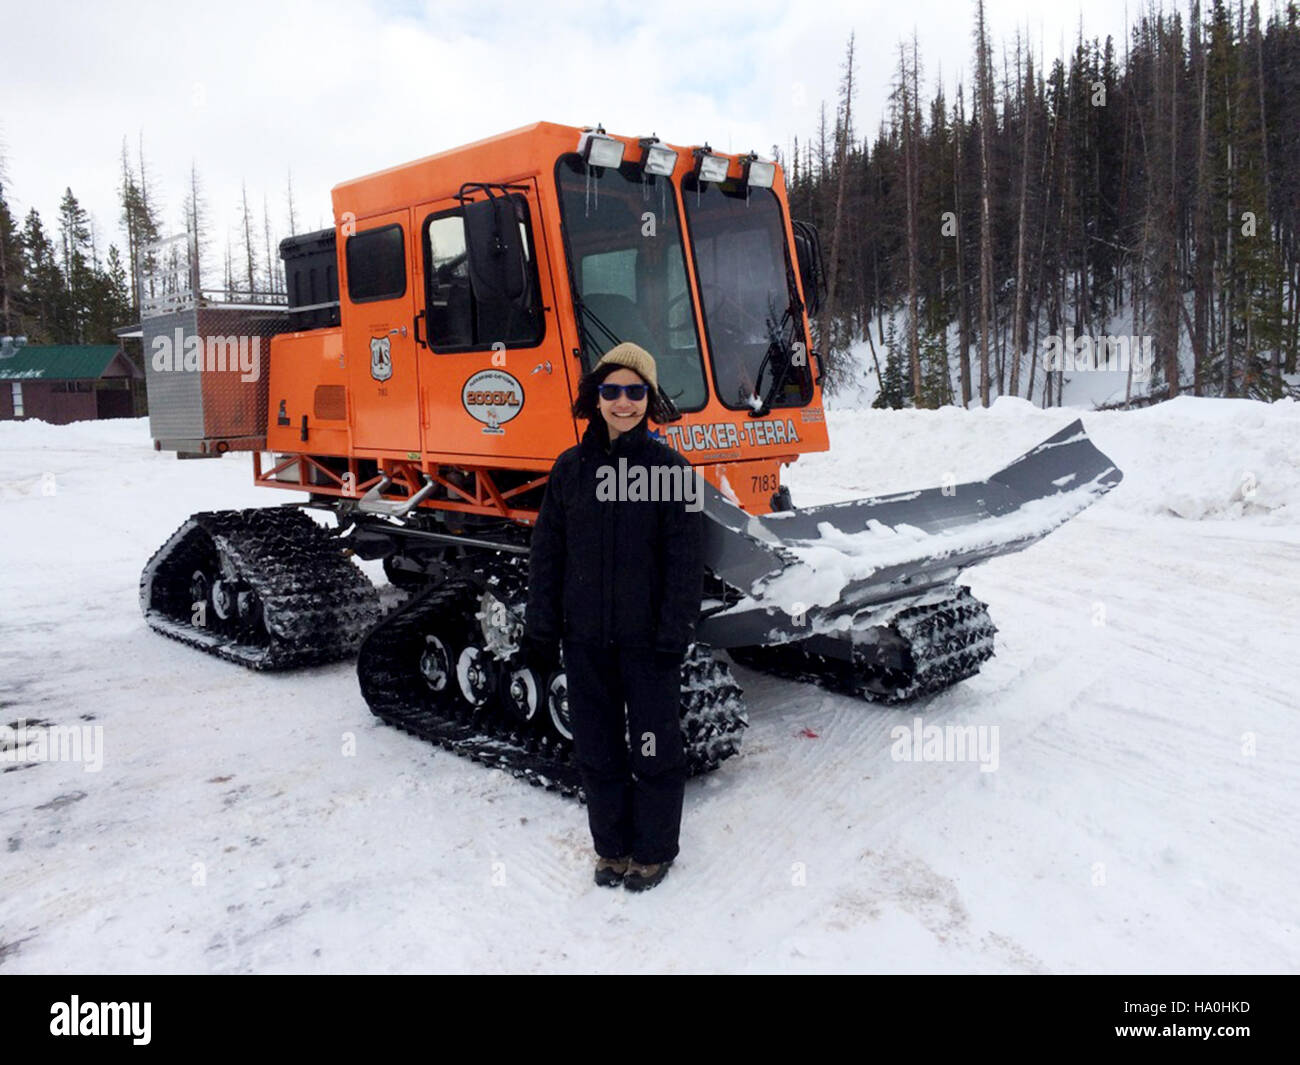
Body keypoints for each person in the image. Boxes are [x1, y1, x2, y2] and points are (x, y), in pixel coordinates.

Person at [524, 342, 704, 892]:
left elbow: (684, 562)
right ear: (595, 398)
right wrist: (541, 627)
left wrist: (674, 632)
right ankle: (612, 848)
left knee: (653, 749)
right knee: (597, 751)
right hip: (585, 643)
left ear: (649, 400)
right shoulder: (570, 469)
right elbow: (548, 552)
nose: (623, 402)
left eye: (635, 391)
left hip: (647, 646)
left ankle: (652, 852)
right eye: (612, 391)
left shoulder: (672, 472)